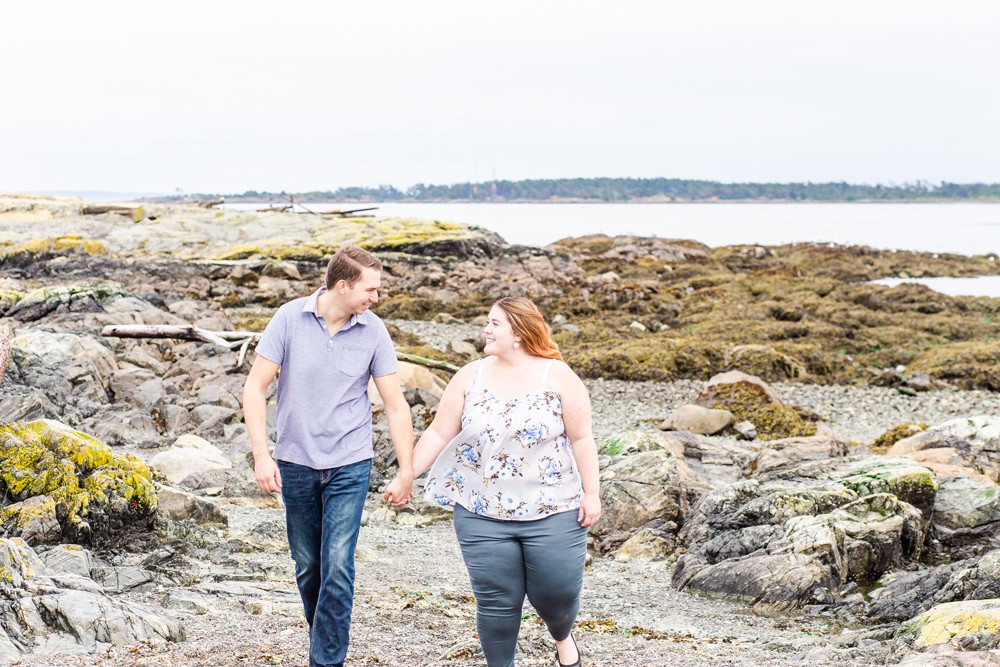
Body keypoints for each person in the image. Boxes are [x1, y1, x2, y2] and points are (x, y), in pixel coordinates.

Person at [386, 296, 601, 667]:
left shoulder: (559, 376)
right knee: (497, 601)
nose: (485, 329)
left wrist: (592, 493)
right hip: (481, 510)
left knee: (557, 595)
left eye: (495, 323)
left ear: (518, 332)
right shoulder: (471, 375)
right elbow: (439, 433)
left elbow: (582, 439)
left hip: (554, 509)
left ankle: (563, 637)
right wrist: (407, 475)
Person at [243, 245, 414, 667]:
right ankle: (323, 640)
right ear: (342, 285)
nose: (375, 298)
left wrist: (407, 470)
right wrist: (262, 457)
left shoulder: (373, 330)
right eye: (370, 289)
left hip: (350, 462)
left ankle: (325, 661)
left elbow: (395, 404)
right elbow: (254, 387)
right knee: (308, 566)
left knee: (338, 564)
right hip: (296, 462)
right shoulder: (288, 319)